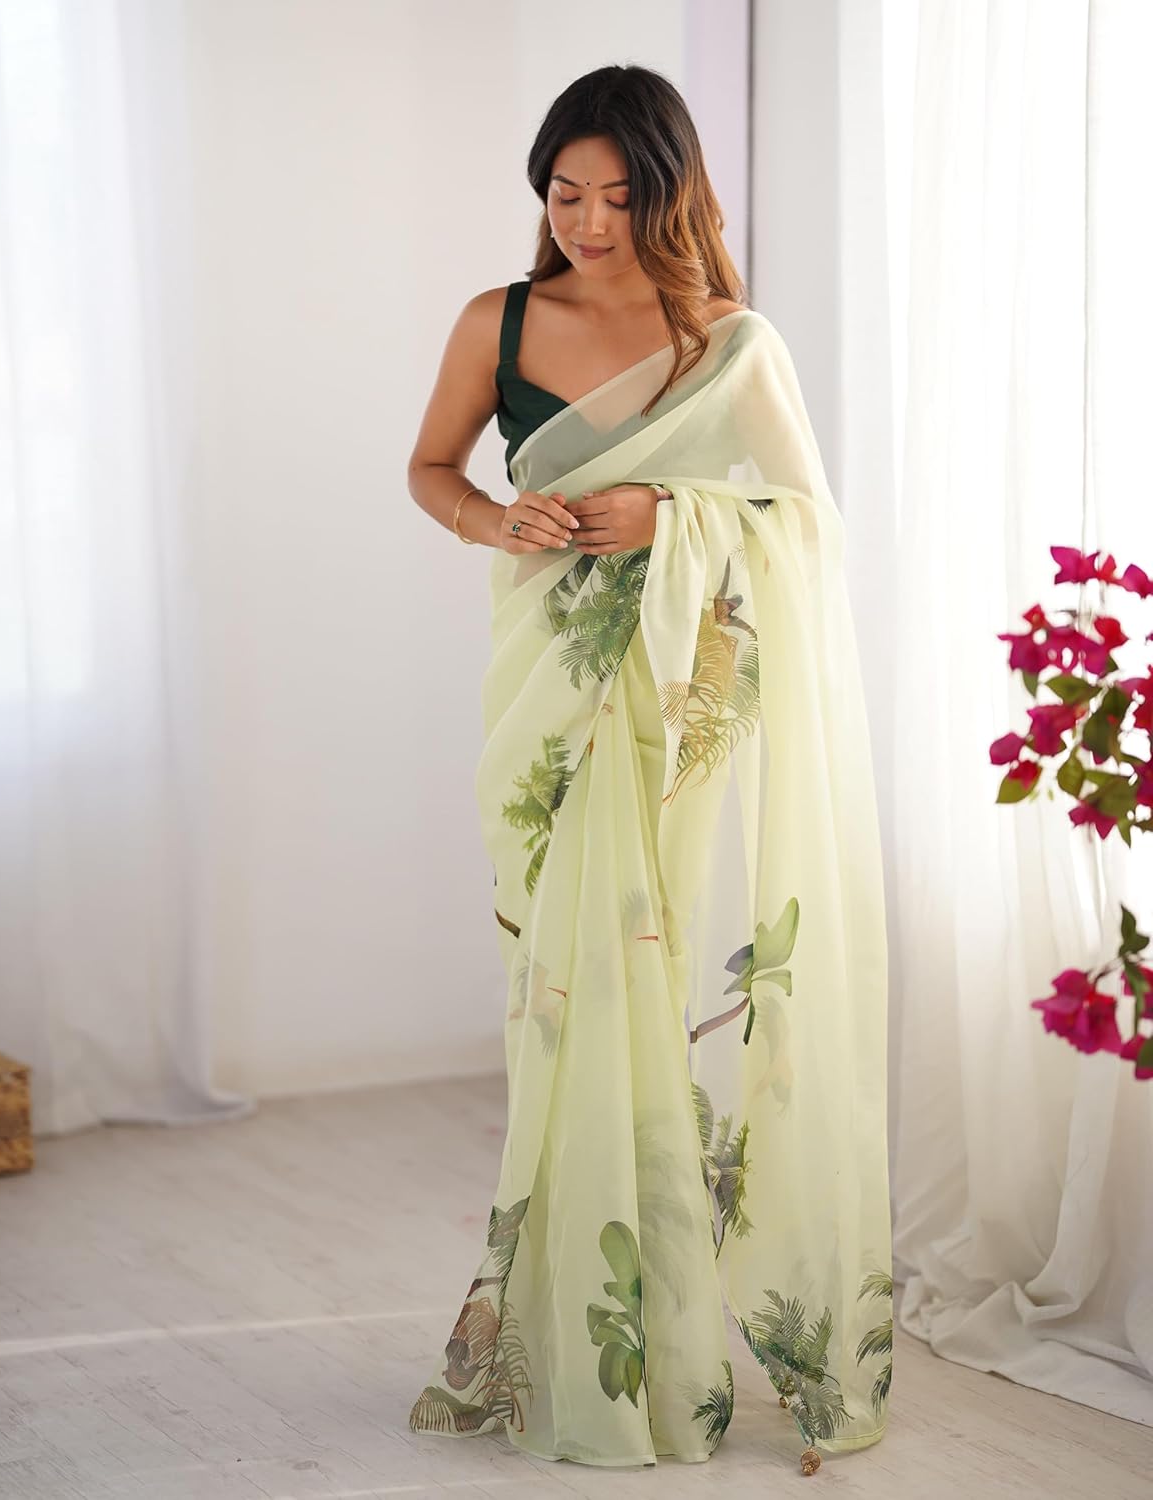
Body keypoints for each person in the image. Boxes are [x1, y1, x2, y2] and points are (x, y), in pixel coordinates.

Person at [405, 64, 893, 1477]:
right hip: (545, 697)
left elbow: (808, 525)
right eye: (566, 194)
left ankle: (668, 1349)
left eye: (618, 197)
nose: (589, 222)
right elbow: (434, 468)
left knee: (646, 987)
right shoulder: (499, 320)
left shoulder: (728, 342)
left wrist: (669, 512)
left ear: (670, 196)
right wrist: (497, 524)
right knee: (555, 1005)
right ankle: (570, 1335)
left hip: (677, 707)